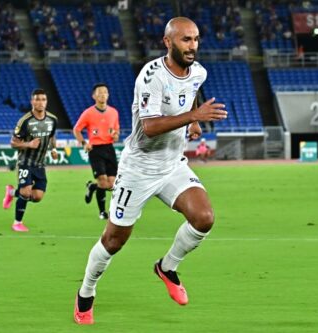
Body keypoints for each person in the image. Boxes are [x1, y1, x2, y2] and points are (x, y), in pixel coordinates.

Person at [73, 17, 228, 325]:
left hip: (172, 165)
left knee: (204, 218)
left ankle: (167, 267)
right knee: (114, 240)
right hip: (139, 168)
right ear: (167, 42)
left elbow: (189, 93)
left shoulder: (198, 72)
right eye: (185, 40)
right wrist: (192, 115)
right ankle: (85, 292)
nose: (193, 46)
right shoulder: (151, 76)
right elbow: (151, 126)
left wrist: (193, 120)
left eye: (196, 39)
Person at [2, 89, 58, 232]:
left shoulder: (52, 119)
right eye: (37, 99)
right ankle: (17, 223)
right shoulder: (24, 121)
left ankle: (11, 193)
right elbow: (13, 143)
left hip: (40, 164)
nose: (40, 102)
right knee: (26, 192)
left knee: (37, 197)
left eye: (43, 99)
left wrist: (53, 149)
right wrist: (28, 144)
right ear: (32, 101)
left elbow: (52, 136)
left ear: (46, 102)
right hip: (25, 161)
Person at [73, 83, 120, 220]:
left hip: (109, 148)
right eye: (99, 92)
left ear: (108, 95)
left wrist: (115, 135)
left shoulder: (114, 112)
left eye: (105, 92)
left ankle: (93, 187)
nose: (102, 94)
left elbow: (116, 132)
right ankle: (102, 212)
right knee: (103, 182)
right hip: (95, 149)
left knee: (111, 185)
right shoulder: (88, 113)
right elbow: (77, 129)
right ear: (94, 96)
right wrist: (84, 143)